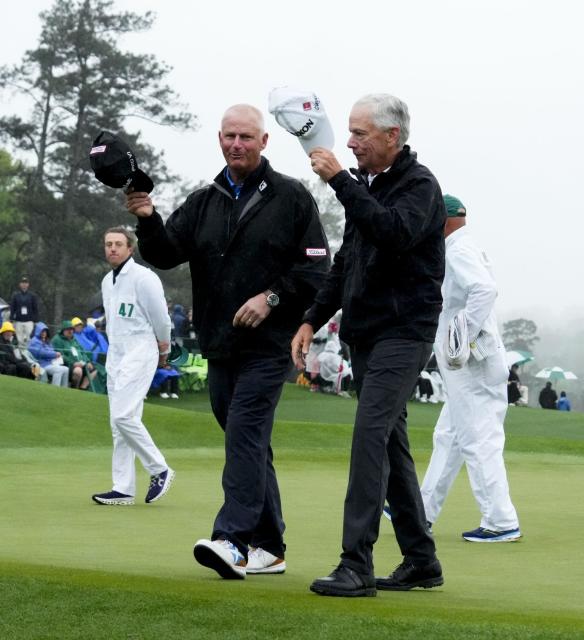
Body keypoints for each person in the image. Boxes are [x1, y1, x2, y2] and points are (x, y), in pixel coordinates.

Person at [126, 104, 331, 578]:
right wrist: (147, 217)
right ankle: (271, 546)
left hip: (270, 343)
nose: (236, 144)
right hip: (219, 342)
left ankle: (231, 541)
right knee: (249, 441)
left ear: (264, 142)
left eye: (246, 136)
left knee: (244, 430)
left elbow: (317, 269)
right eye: (229, 136)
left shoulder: (292, 197)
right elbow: (163, 253)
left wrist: (273, 298)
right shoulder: (205, 200)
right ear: (219, 140)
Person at [292, 93, 444, 597]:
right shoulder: (367, 187)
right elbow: (346, 265)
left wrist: (339, 181)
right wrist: (312, 319)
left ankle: (355, 563)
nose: (350, 141)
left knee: (368, 435)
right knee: (391, 444)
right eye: (351, 133)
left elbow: (392, 232)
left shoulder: (419, 187)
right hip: (367, 335)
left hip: (405, 333)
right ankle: (421, 560)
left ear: (392, 137)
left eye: (360, 133)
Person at [417, 194, 522, 543]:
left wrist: (460, 334)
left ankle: (500, 520)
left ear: (443, 221)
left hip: (472, 362)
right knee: (448, 436)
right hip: (474, 361)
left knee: (478, 440)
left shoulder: (457, 251)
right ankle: (422, 511)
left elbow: (484, 290)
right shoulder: (466, 246)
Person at [91, 227, 176, 506]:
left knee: (123, 416)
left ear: (130, 248)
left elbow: (161, 318)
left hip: (141, 350)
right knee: (119, 424)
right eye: (108, 244)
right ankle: (123, 488)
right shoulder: (107, 281)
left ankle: (159, 468)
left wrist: (164, 345)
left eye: (118, 244)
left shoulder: (144, 278)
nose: (112, 249)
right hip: (116, 353)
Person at [51, 319, 98, 390]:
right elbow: (60, 356)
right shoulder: (57, 339)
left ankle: (82, 388)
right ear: (63, 330)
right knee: (78, 371)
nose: (70, 331)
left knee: (94, 370)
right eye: (68, 329)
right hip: (66, 365)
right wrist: (73, 363)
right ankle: (74, 389)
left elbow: (82, 352)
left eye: (72, 329)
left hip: (80, 364)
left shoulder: (74, 340)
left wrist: (88, 362)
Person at [28, 322, 69, 387]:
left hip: (50, 363)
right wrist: (55, 354)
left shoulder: (46, 341)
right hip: (41, 364)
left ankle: (64, 389)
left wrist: (55, 356)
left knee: (66, 369)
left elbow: (50, 351)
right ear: (38, 331)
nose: (44, 333)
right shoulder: (34, 341)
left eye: (45, 331)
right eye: (42, 331)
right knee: (59, 370)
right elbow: (41, 353)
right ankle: (55, 389)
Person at [10, 276, 40, 346]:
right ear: (20, 284)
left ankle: (28, 355)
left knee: (29, 339)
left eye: (25, 283)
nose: (24, 284)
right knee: (19, 339)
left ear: (28, 284)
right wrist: (11, 319)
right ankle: (20, 356)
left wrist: (36, 320)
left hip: (29, 321)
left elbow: (35, 308)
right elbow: (12, 308)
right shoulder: (16, 295)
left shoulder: (32, 295)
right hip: (18, 321)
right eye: (22, 283)